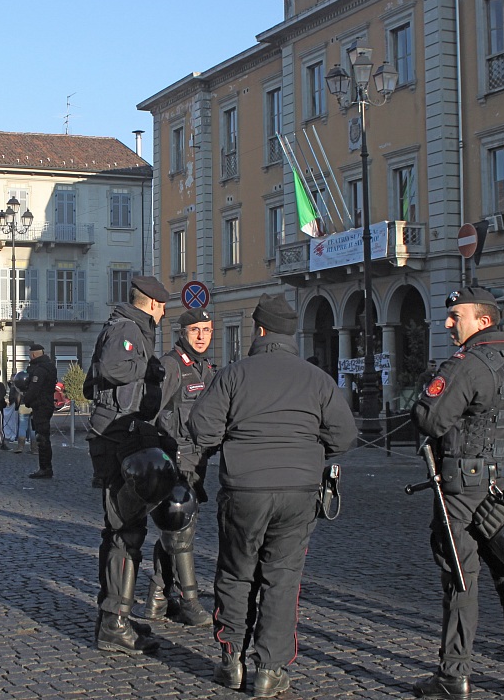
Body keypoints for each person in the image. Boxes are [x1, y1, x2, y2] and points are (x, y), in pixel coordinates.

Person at [189, 294, 356, 697]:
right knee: (282, 579)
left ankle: (232, 660)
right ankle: (270, 668)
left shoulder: (234, 374)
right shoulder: (316, 378)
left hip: (245, 488)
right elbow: (345, 436)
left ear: (258, 330)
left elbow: (201, 429)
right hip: (299, 490)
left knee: (235, 572)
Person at [409, 287, 504, 699]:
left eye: (456, 316)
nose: (449, 323)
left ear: (483, 321)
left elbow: (430, 420)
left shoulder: (466, 365)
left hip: (463, 485)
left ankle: (454, 674)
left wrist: (429, 386)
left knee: (460, 580)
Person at [83, 274, 174, 655]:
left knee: (123, 532)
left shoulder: (131, 328)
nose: (166, 311)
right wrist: (147, 370)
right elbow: (109, 369)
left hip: (122, 437)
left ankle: (116, 613)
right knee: (125, 533)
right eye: (163, 305)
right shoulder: (127, 329)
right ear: (151, 303)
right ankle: (113, 622)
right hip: (116, 441)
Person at [144, 309, 216, 626]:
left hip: (197, 461)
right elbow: (149, 413)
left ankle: (158, 599)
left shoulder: (206, 369)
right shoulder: (171, 366)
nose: (201, 336)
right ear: (182, 332)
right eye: (195, 330)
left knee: (175, 530)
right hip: (174, 461)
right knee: (181, 532)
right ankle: (189, 600)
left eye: (207, 330)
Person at [25, 345, 57, 478]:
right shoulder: (50, 366)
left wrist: (26, 400)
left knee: (42, 438)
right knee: (43, 436)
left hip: (41, 405)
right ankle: (45, 467)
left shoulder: (40, 370)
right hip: (47, 404)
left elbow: (34, 389)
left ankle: (45, 468)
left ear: (33, 355)